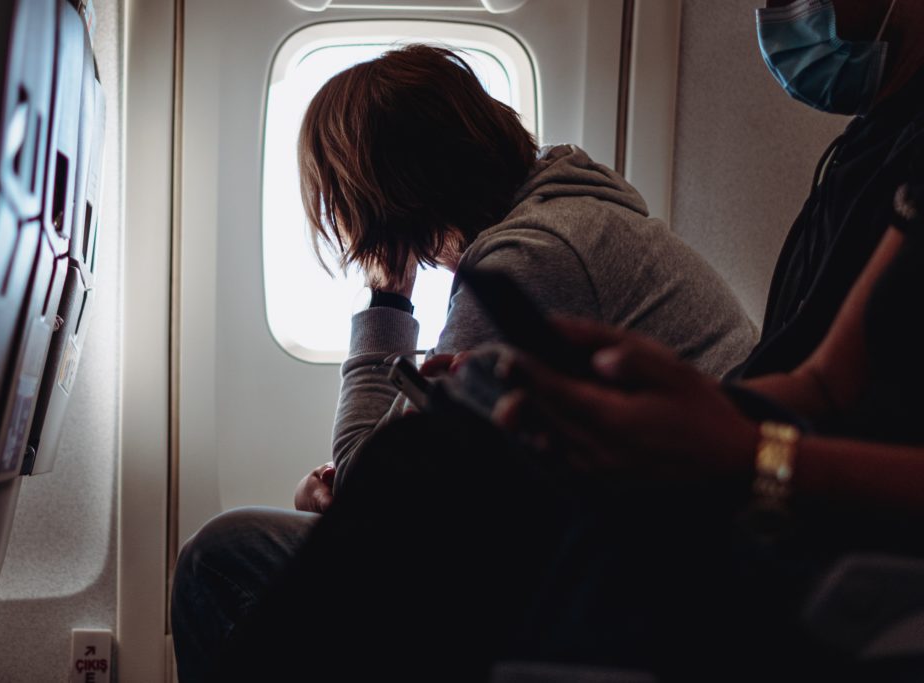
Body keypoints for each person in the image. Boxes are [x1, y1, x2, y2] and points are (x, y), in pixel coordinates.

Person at [189, 0, 924, 680]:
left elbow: (355, 477)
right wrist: (657, 399)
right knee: (419, 466)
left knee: (232, 553)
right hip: (706, 483)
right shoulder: (871, 159)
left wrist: (387, 293)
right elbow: (821, 381)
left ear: (384, 202)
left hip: (736, 513)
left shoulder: (537, 249)